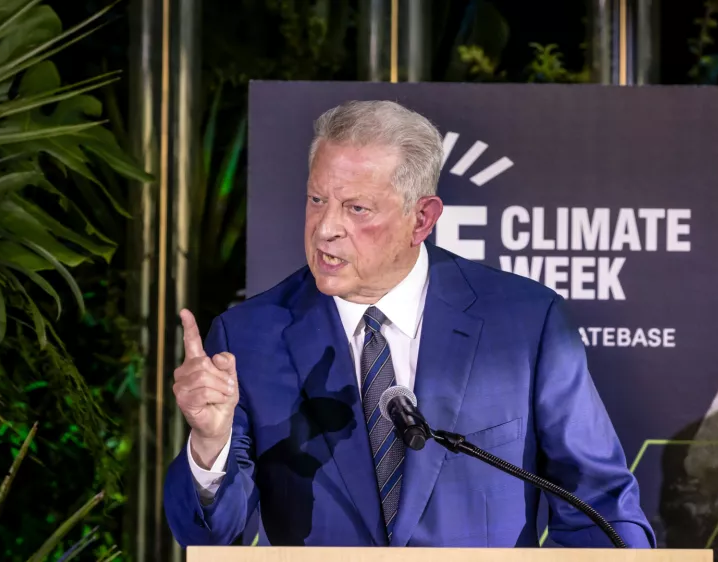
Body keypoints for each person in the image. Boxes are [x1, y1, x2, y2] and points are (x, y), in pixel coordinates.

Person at [163, 100, 655, 548]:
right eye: (316, 200)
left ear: (421, 219)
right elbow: (207, 536)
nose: (326, 228)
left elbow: (601, 508)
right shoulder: (249, 337)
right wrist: (210, 444)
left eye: (356, 208)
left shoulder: (525, 323)